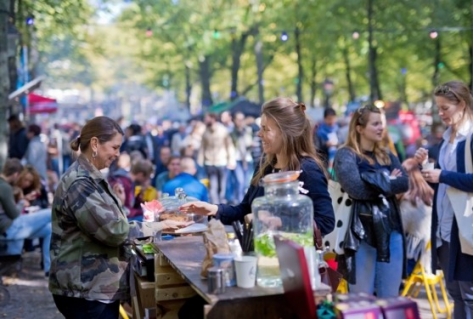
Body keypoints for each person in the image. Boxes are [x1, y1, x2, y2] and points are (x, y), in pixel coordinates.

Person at [49, 116, 190, 319]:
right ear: (95, 143)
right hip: (85, 290)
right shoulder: (80, 183)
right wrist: (159, 226)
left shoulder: (90, 177)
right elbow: (114, 231)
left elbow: (102, 222)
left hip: (91, 287)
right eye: (114, 147)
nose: (117, 154)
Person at [180, 97, 335, 236]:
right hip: (262, 257)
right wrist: (213, 209)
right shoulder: (264, 166)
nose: (259, 134)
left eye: (266, 129)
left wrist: (277, 222)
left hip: (293, 263)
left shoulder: (308, 170)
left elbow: (326, 222)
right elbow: (245, 211)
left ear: (286, 133)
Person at [334, 104, 409, 298]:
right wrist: (386, 178)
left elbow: (403, 183)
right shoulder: (345, 155)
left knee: (390, 299)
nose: (380, 128)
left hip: (391, 232)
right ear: (359, 128)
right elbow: (356, 189)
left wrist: (371, 179)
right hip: (361, 235)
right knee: (362, 301)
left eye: (381, 123)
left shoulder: (386, 154)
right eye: (375, 124)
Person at [414, 80, 473, 319]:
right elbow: (441, 182)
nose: (440, 114)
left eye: (445, 108)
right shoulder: (446, 140)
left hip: (465, 228)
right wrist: (427, 165)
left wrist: (443, 175)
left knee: (468, 294)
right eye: (438, 108)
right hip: (446, 228)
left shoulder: (469, 138)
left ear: (462, 105)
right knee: (454, 292)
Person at [0, 158, 52, 276]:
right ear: (16, 174)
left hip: (9, 227)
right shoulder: (4, 187)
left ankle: (49, 269)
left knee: (49, 229)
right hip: (9, 227)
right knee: (50, 213)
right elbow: (14, 214)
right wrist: (22, 203)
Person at [399, 158, 433, 275]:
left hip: (411, 260)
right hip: (427, 257)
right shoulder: (429, 194)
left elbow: (399, 228)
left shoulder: (409, 201)